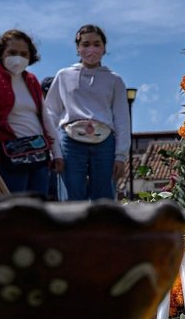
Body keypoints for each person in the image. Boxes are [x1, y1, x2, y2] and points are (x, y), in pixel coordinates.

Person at [44, 24, 131, 201]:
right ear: (78, 48)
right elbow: (51, 113)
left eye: (96, 44)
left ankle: (103, 229)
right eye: (85, 44)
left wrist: (120, 155)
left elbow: (122, 119)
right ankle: (74, 229)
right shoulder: (63, 76)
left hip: (104, 142)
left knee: (104, 198)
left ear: (104, 48)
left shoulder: (114, 80)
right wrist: (55, 151)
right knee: (72, 197)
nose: (91, 49)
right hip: (70, 140)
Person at [0, 29, 62, 194]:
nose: (18, 58)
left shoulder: (32, 80)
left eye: (24, 54)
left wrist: (57, 153)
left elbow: (45, 117)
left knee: (38, 209)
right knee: (13, 212)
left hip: (38, 156)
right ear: (1, 53)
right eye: (12, 52)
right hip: (7, 160)